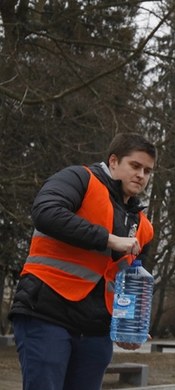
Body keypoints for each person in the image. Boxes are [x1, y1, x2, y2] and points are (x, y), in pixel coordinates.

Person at [9, 133, 157, 390]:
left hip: (95, 329)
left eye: (147, 170)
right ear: (113, 162)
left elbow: (128, 280)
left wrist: (130, 324)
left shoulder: (143, 227)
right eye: (135, 166)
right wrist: (108, 239)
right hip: (47, 312)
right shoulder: (80, 179)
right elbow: (45, 212)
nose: (141, 175)